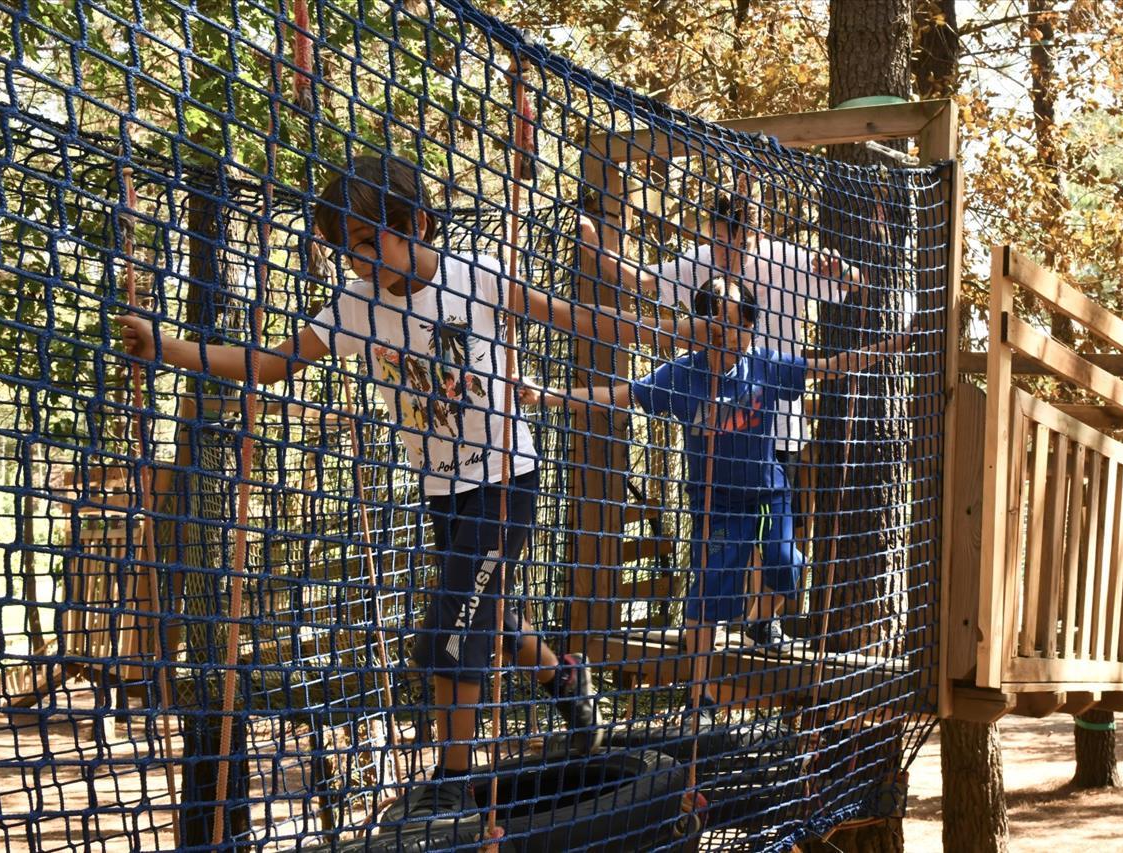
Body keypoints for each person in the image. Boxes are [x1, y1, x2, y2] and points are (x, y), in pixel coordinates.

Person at [117, 155, 642, 821]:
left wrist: (674, 331)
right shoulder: (356, 306)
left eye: (365, 245)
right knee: (487, 614)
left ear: (415, 224)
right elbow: (270, 363)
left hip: (506, 477)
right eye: (345, 250)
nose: (356, 262)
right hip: (442, 488)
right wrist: (168, 346)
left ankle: (453, 779)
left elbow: (578, 318)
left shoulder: (475, 278)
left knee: (450, 630)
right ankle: (566, 678)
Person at [521, 275, 912, 719]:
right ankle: (699, 696)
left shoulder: (764, 366)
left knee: (787, 565)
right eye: (713, 325)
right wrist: (550, 396)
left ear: (750, 329)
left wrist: (886, 348)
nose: (724, 335)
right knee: (707, 594)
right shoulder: (682, 375)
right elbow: (619, 395)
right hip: (715, 503)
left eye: (733, 325)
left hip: (768, 493)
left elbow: (829, 366)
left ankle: (762, 620)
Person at [577, 189, 867, 641]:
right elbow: (641, 280)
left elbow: (851, 283)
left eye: (736, 245)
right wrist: (597, 247)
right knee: (728, 537)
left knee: (777, 546)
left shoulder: (786, 260)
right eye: (718, 243)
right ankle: (716, 626)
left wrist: (840, 268)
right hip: (718, 424)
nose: (726, 255)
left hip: (774, 417)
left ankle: (762, 619)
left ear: (755, 236)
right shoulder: (699, 263)